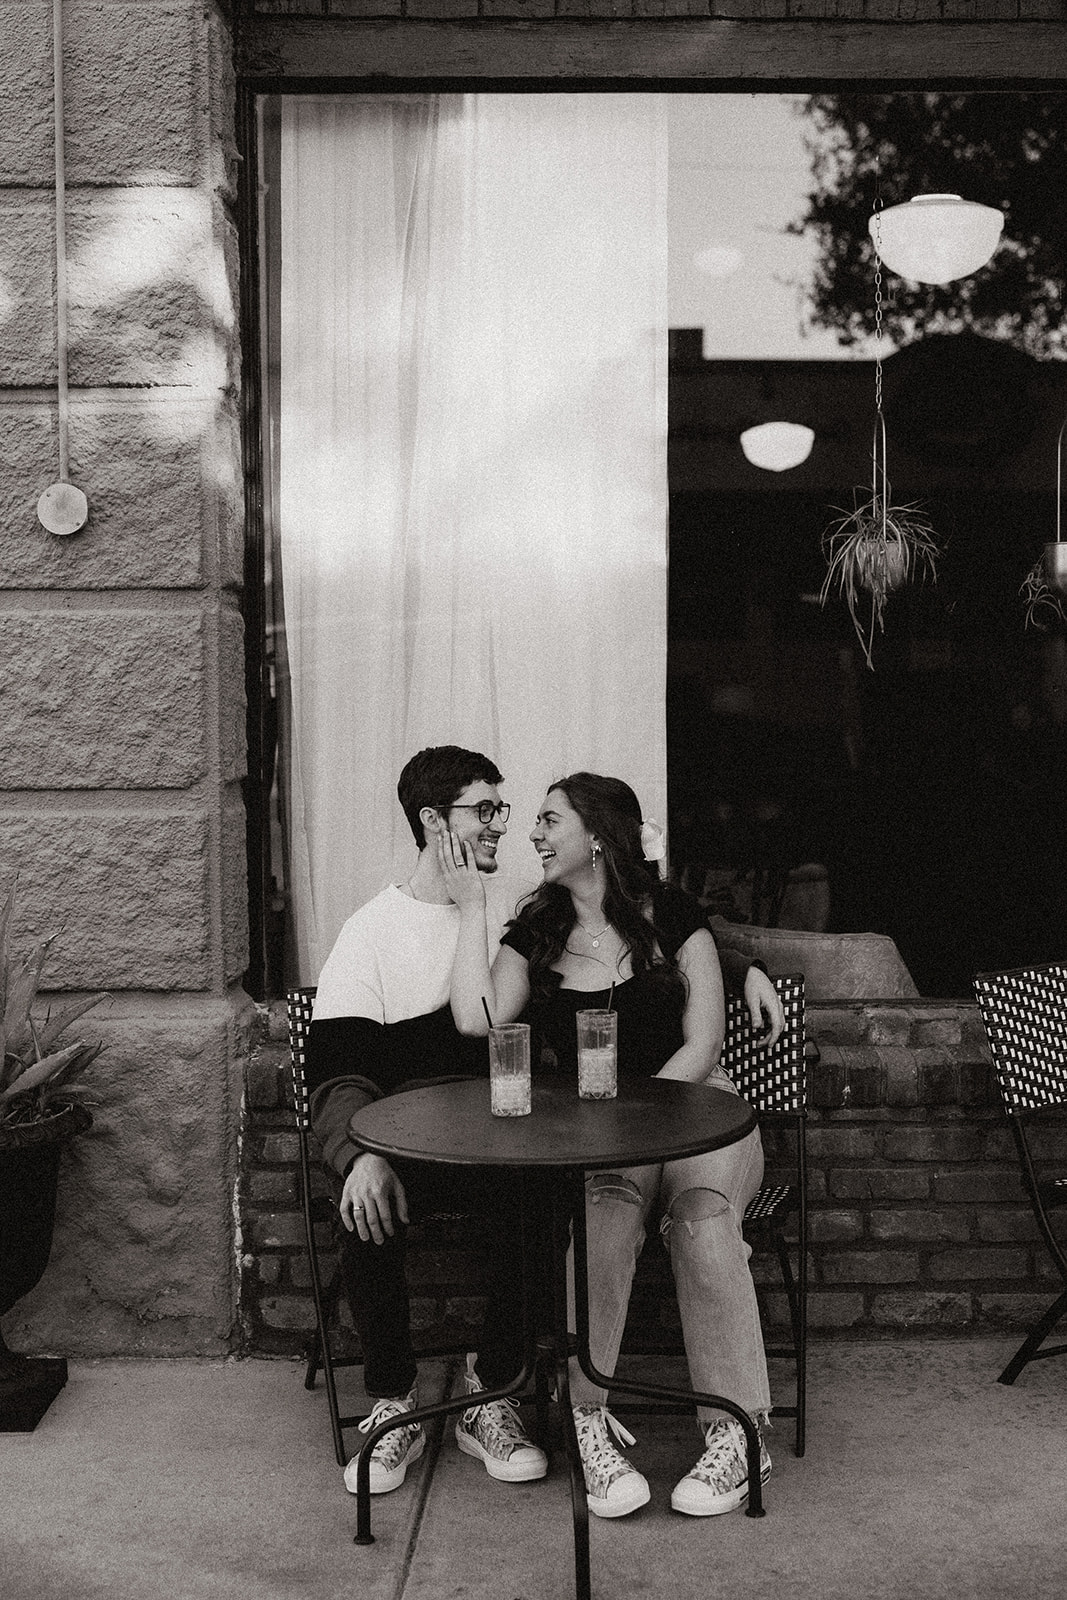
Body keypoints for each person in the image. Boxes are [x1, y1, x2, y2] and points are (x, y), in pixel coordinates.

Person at [442, 771, 775, 1520]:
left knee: (700, 1213)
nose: (532, 832)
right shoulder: (538, 929)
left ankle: (736, 1438)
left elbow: (704, 1041)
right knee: (603, 1214)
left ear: (595, 835)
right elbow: (478, 1017)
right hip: (604, 1132)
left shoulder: (674, 917)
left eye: (548, 819)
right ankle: (587, 1420)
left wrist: (647, 1119)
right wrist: (472, 911)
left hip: (699, 1107)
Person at [304, 745, 548, 1497]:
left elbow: (633, 940)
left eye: (500, 810)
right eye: (484, 810)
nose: (498, 827)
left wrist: (742, 965)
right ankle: (392, 1400)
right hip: (401, 1148)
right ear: (432, 820)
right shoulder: (370, 931)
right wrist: (358, 1155)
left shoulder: (508, 921)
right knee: (365, 1199)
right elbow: (335, 1076)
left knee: (546, 1199)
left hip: (499, 1143)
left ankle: (492, 1394)